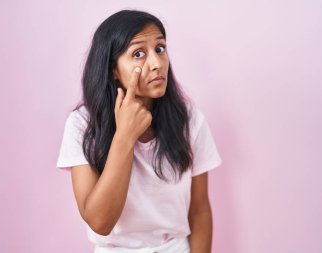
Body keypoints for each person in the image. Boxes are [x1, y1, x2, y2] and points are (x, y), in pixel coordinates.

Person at [56, 9, 222, 253]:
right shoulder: (82, 125)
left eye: (160, 49)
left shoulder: (189, 121)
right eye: (138, 53)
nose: (156, 64)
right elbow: (100, 222)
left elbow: (199, 211)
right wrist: (124, 135)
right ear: (113, 69)